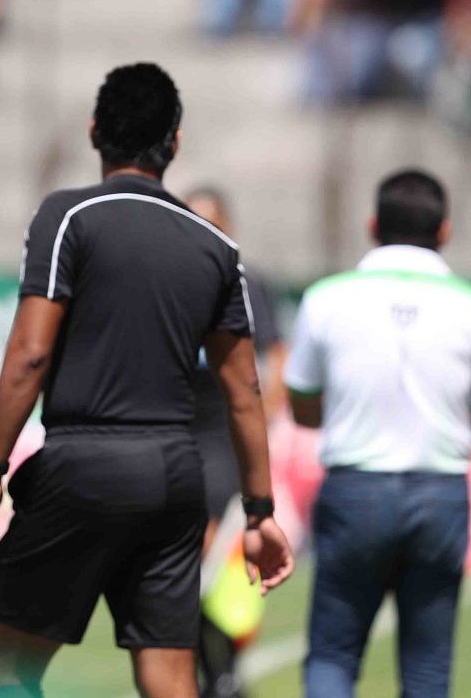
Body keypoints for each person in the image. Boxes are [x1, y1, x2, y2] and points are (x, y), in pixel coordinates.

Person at [0, 63, 294, 698]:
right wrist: (259, 512)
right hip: (175, 476)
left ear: (94, 132)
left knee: (8, 665)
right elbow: (244, 393)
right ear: (174, 141)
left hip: (84, 463)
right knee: (169, 676)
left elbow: (30, 354)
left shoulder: (67, 217)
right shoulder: (216, 248)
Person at [286, 169, 471, 698]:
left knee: (334, 654)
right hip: (440, 492)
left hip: (355, 489)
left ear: (373, 225)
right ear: (444, 231)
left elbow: (301, 403)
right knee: (427, 667)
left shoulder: (325, 298)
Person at [186, 187, 288, 698]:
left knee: (205, 549)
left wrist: (262, 421)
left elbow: (276, 356)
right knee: (180, 559)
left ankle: (221, 669)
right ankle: (215, 673)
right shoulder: (168, 281)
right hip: (176, 427)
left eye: (212, 221)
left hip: (224, 433)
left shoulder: (250, 285)